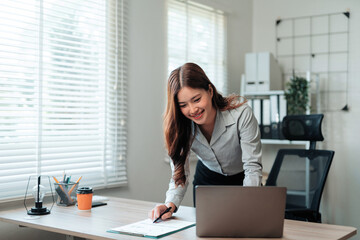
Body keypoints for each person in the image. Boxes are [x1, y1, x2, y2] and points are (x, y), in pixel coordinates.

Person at [148, 62, 262, 222]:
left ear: (209, 90)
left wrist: (248, 203)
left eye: (196, 99)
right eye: (183, 105)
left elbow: (252, 168)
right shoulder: (181, 125)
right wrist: (169, 205)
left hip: (243, 179)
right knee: (208, 232)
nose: (192, 110)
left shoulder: (241, 114)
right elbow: (180, 174)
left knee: (246, 227)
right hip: (208, 181)